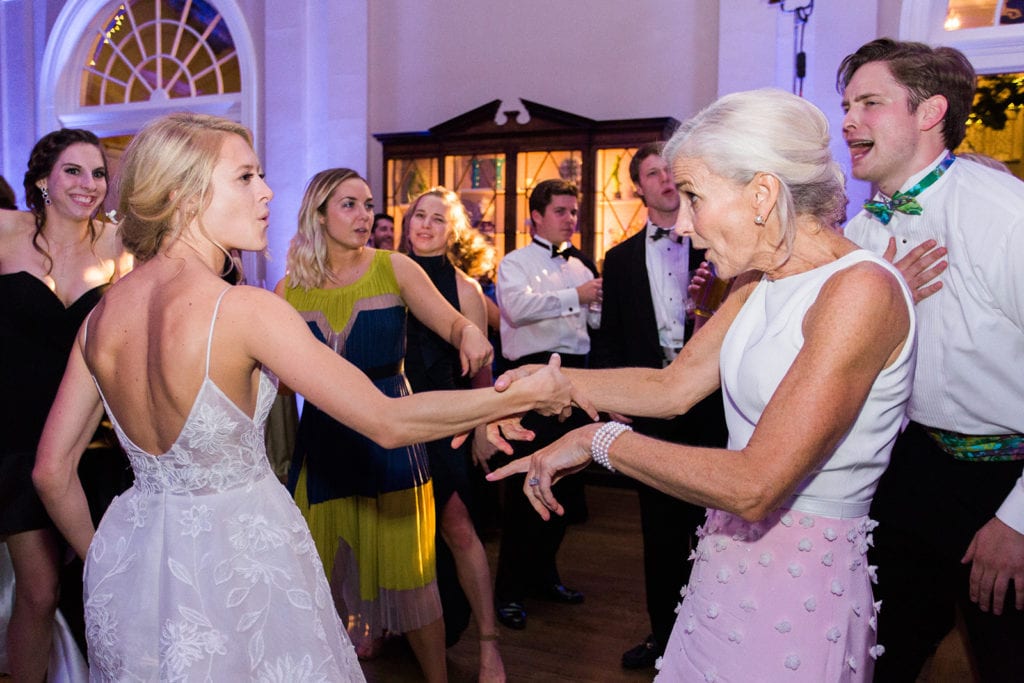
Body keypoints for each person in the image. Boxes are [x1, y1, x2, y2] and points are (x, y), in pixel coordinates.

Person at [30, 112, 573, 681]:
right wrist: (520, 395)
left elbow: (50, 472)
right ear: (182, 195)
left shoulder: (100, 318)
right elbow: (387, 421)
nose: (266, 192)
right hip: (244, 565)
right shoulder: (242, 309)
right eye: (245, 178)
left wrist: (105, 561)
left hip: (138, 565)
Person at [488, 88, 917, 682]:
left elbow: (754, 484)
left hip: (799, 583)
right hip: (723, 561)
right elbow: (673, 386)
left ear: (762, 194)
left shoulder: (860, 291)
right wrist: (545, 384)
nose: (683, 223)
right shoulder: (757, 280)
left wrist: (595, 442)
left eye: (694, 196)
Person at [837, 38, 1024, 682]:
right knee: (878, 656)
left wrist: (1019, 521)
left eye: (869, 103)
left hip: (1005, 475)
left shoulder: (1003, 216)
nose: (848, 121)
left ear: (929, 112)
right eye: (846, 105)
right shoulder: (860, 236)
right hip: (909, 469)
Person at [275, 168, 506, 682]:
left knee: (412, 581)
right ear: (319, 215)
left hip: (393, 442)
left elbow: (450, 320)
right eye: (350, 206)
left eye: (368, 205)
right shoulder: (289, 288)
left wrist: (469, 334)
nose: (365, 217)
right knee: (321, 581)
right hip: (324, 444)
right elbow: (283, 380)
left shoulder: (395, 267)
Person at [589, 142, 728, 670]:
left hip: (713, 400)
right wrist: (609, 395)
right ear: (639, 187)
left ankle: (713, 635)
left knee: (715, 521)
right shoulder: (620, 258)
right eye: (653, 173)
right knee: (659, 528)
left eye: (671, 171)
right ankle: (665, 637)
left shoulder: (718, 245)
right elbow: (609, 339)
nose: (666, 179)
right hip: (651, 403)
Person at [0, 129, 131, 682]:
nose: (89, 184)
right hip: (12, 443)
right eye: (73, 171)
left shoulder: (120, 244)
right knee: (39, 589)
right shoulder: (7, 233)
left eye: (98, 173)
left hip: (93, 442)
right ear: (41, 181)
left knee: (101, 589)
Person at [402, 186, 505, 681]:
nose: (424, 225)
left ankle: (489, 644)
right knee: (397, 531)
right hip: (393, 419)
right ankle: (394, 624)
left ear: (453, 231)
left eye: (436, 219)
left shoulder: (464, 288)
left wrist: (483, 426)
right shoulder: (385, 273)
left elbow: (481, 371)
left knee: (458, 527)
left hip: (445, 422)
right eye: (417, 215)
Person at [491, 178, 600, 630]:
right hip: (530, 377)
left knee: (566, 488)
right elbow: (516, 308)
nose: (570, 219)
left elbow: (593, 322)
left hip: (576, 376)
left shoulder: (582, 265)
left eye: (573, 212)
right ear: (535, 215)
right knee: (526, 488)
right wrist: (576, 297)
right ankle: (508, 591)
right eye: (561, 211)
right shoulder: (513, 263)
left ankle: (544, 575)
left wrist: (593, 306)